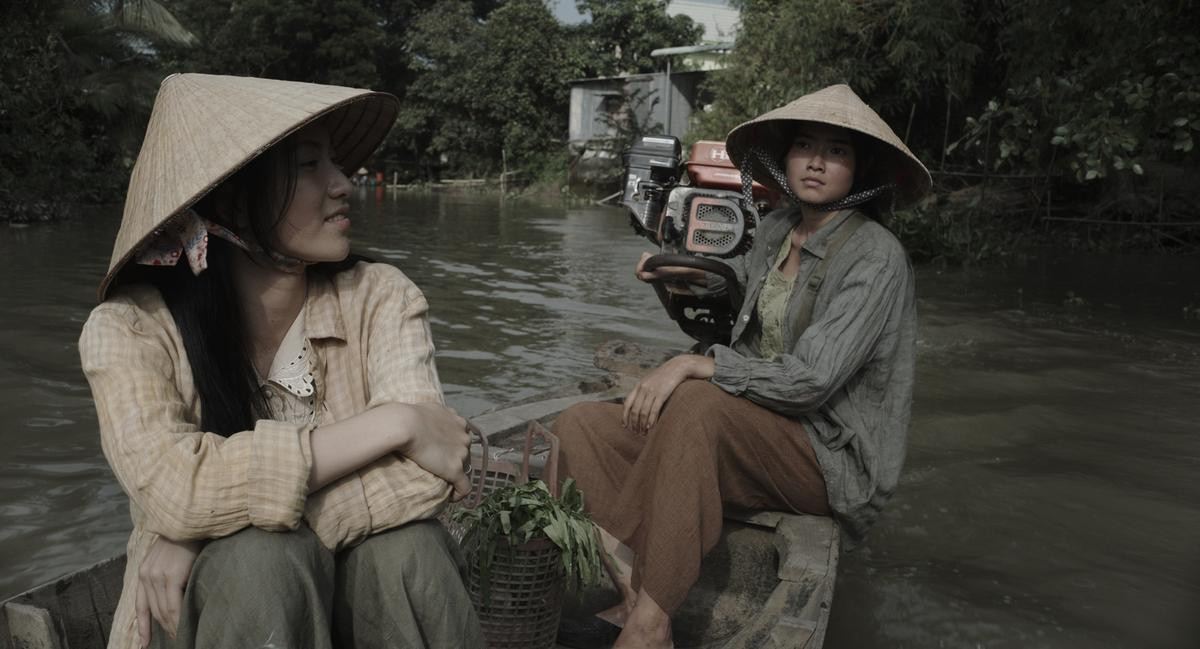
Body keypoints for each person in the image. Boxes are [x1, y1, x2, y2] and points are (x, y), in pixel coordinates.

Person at [79, 73, 484, 649]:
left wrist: (201, 532)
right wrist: (396, 423)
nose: (345, 183)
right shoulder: (129, 330)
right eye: (307, 165)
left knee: (409, 551)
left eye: (337, 163)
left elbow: (429, 476)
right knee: (257, 564)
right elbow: (174, 489)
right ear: (230, 199)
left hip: (357, 605)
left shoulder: (381, 296)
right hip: (206, 619)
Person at [553, 84, 931, 648]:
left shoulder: (876, 257)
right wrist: (682, 280)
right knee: (580, 429)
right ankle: (634, 594)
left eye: (837, 151)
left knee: (699, 403)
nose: (818, 161)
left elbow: (811, 380)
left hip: (825, 453)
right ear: (785, 158)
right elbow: (746, 326)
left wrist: (694, 368)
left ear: (861, 168)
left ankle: (650, 629)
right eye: (805, 145)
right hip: (754, 430)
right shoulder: (778, 230)